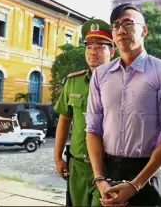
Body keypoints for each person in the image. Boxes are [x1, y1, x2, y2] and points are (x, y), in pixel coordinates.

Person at [85, 3, 161, 206]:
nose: (121, 30)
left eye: (128, 23)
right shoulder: (101, 75)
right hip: (108, 173)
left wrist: (135, 185)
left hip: (146, 175)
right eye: (116, 25)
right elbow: (93, 129)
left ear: (144, 30)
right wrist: (100, 179)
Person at [53, 19, 115, 206]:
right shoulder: (73, 81)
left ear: (111, 51)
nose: (93, 52)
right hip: (77, 165)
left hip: (108, 166)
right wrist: (57, 158)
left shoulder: (121, 83)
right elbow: (64, 121)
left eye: (100, 46)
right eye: (88, 47)